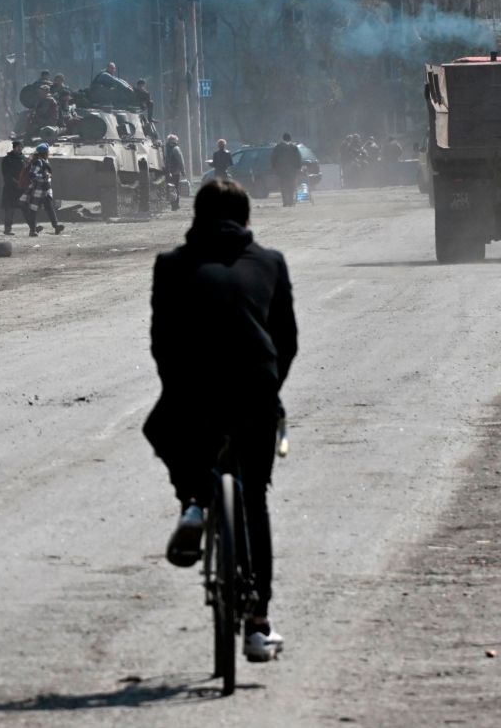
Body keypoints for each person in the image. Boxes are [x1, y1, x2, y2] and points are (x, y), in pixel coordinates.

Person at [145, 177, 297, 663]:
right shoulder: (270, 263)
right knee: (253, 501)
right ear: (247, 218)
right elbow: (286, 341)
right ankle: (258, 625)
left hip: (194, 392)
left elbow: (162, 339)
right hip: (255, 390)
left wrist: (177, 388)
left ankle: (193, 500)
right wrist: (270, 391)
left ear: (195, 216)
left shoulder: (170, 265)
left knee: (164, 427)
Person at [19, 142, 65, 236]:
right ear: (44, 152)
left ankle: (56, 226)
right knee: (33, 209)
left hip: (45, 188)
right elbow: (32, 175)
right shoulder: (38, 162)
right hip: (38, 188)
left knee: (49, 207)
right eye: (47, 151)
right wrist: (43, 176)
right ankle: (32, 230)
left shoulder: (43, 160)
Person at [0, 139, 26, 235]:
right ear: (14, 147)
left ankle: (33, 228)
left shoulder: (23, 158)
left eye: (21, 147)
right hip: (10, 188)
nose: (20, 149)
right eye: (18, 147)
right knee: (9, 210)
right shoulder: (7, 159)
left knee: (26, 208)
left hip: (22, 187)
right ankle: (7, 229)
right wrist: (16, 182)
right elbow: (6, 174)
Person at [270, 133, 303, 207]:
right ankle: (291, 201)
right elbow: (298, 158)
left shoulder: (278, 148)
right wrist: (299, 168)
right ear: (290, 139)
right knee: (291, 186)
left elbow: (273, 159)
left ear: (283, 139)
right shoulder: (294, 148)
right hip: (292, 171)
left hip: (282, 171)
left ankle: (285, 202)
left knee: (283, 187)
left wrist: (274, 169)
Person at [164, 133, 186, 210]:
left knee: (170, 188)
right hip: (175, 172)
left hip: (167, 172)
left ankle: (172, 204)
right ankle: (176, 205)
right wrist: (183, 170)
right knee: (176, 188)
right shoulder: (176, 149)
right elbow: (180, 161)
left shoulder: (165, 149)